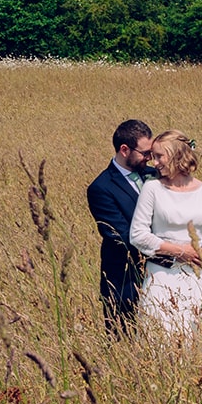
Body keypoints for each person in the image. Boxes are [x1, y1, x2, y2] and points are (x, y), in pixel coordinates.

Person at [129, 129, 202, 338]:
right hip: (160, 279)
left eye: (159, 156)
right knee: (160, 341)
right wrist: (179, 251)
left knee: (197, 342)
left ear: (176, 155)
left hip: (196, 281)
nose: (155, 162)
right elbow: (137, 234)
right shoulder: (152, 189)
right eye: (153, 156)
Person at [85, 119, 153, 334]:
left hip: (162, 277)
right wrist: (170, 250)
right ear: (125, 150)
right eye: (145, 153)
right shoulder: (101, 188)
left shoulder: (155, 175)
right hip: (125, 282)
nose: (149, 158)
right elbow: (121, 236)